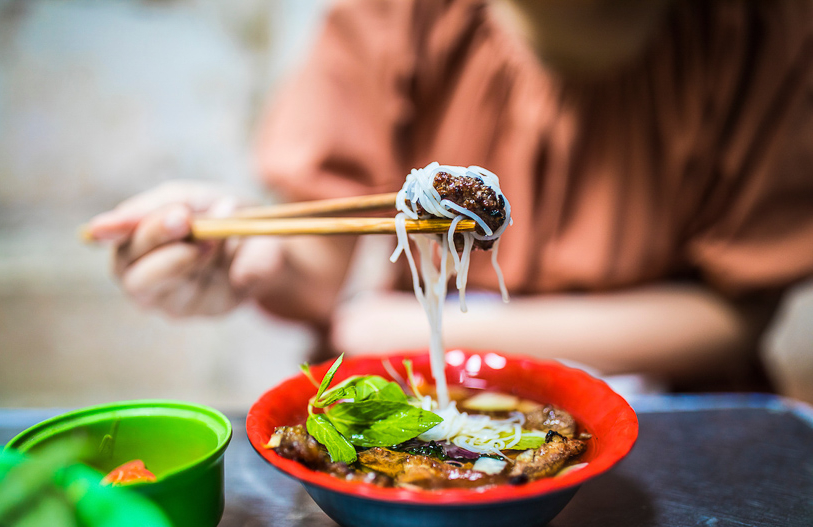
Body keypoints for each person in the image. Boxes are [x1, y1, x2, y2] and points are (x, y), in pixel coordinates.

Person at [87, 0, 813, 393]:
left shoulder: (773, 34)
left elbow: (734, 314)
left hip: (683, 421)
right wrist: (240, 251)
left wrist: (397, 328)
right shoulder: (396, 16)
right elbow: (310, 271)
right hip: (427, 401)